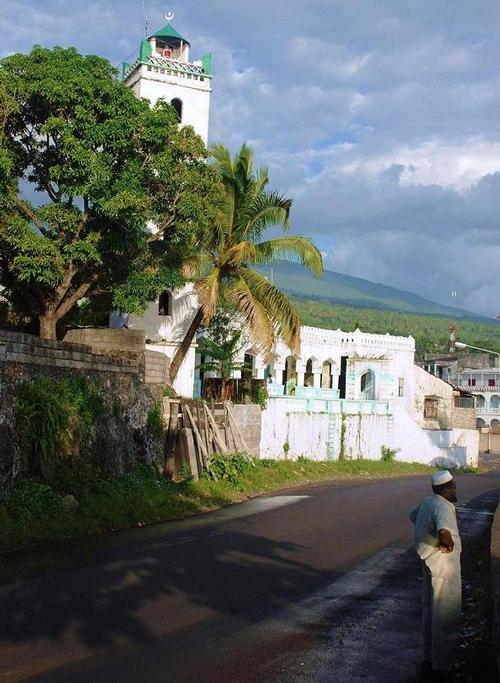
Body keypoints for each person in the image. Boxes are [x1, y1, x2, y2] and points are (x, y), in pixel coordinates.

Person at [409, 470, 462, 680]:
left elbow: (413, 516)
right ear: (446, 489)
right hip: (444, 565)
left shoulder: (427, 502)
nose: (455, 490)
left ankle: (429, 659)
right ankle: (443, 666)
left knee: (430, 611)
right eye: (453, 487)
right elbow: (444, 532)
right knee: (445, 614)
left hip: (428, 561)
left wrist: (428, 535)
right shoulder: (443, 506)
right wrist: (445, 542)